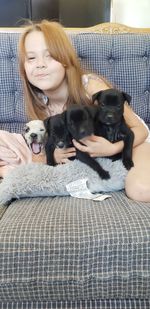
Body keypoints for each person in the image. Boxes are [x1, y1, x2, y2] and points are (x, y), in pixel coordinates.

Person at [18, 19, 150, 202]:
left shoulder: (90, 86)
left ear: (65, 59)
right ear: (24, 68)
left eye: (50, 55)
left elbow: (141, 130)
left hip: (133, 142)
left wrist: (113, 148)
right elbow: (40, 155)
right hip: (100, 157)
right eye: (31, 58)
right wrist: (53, 155)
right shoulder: (41, 106)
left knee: (140, 190)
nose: (40, 64)